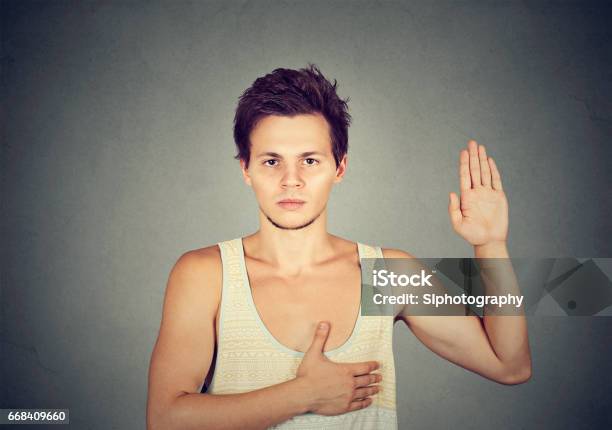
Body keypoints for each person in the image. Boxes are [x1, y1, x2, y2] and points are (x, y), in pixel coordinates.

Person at [146, 64, 532, 430]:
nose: (291, 180)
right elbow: (163, 420)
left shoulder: (384, 276)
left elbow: (509, 365)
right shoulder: (206, 274)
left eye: (310, 160)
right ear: (246, 168)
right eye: (271, 161)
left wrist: (491, 244)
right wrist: (303, 395)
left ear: (340, 167)